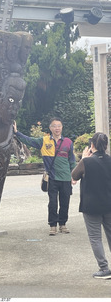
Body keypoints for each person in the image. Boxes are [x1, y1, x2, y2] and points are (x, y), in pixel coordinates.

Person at [13, 117, 76, 235]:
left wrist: (74, 175)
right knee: (52, 203)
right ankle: (53, 226)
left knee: (65, 202)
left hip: (66, 178)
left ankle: (63, 224)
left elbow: (72, 160)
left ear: (62, 127)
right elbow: (28, 140)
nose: (57, 128)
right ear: (50, 128)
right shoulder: (44, 141)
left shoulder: (68, 142)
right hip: (52, 178)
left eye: (59, 125)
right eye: (54, 126)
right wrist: (16, 133)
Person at [71, 132, 111, 279]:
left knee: (95, 238)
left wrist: (83, 158)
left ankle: (104, 268)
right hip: (108, 203)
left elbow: (74, 175)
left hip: (91, 205)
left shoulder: (86, 162)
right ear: (106, 145)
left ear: (92, 145)